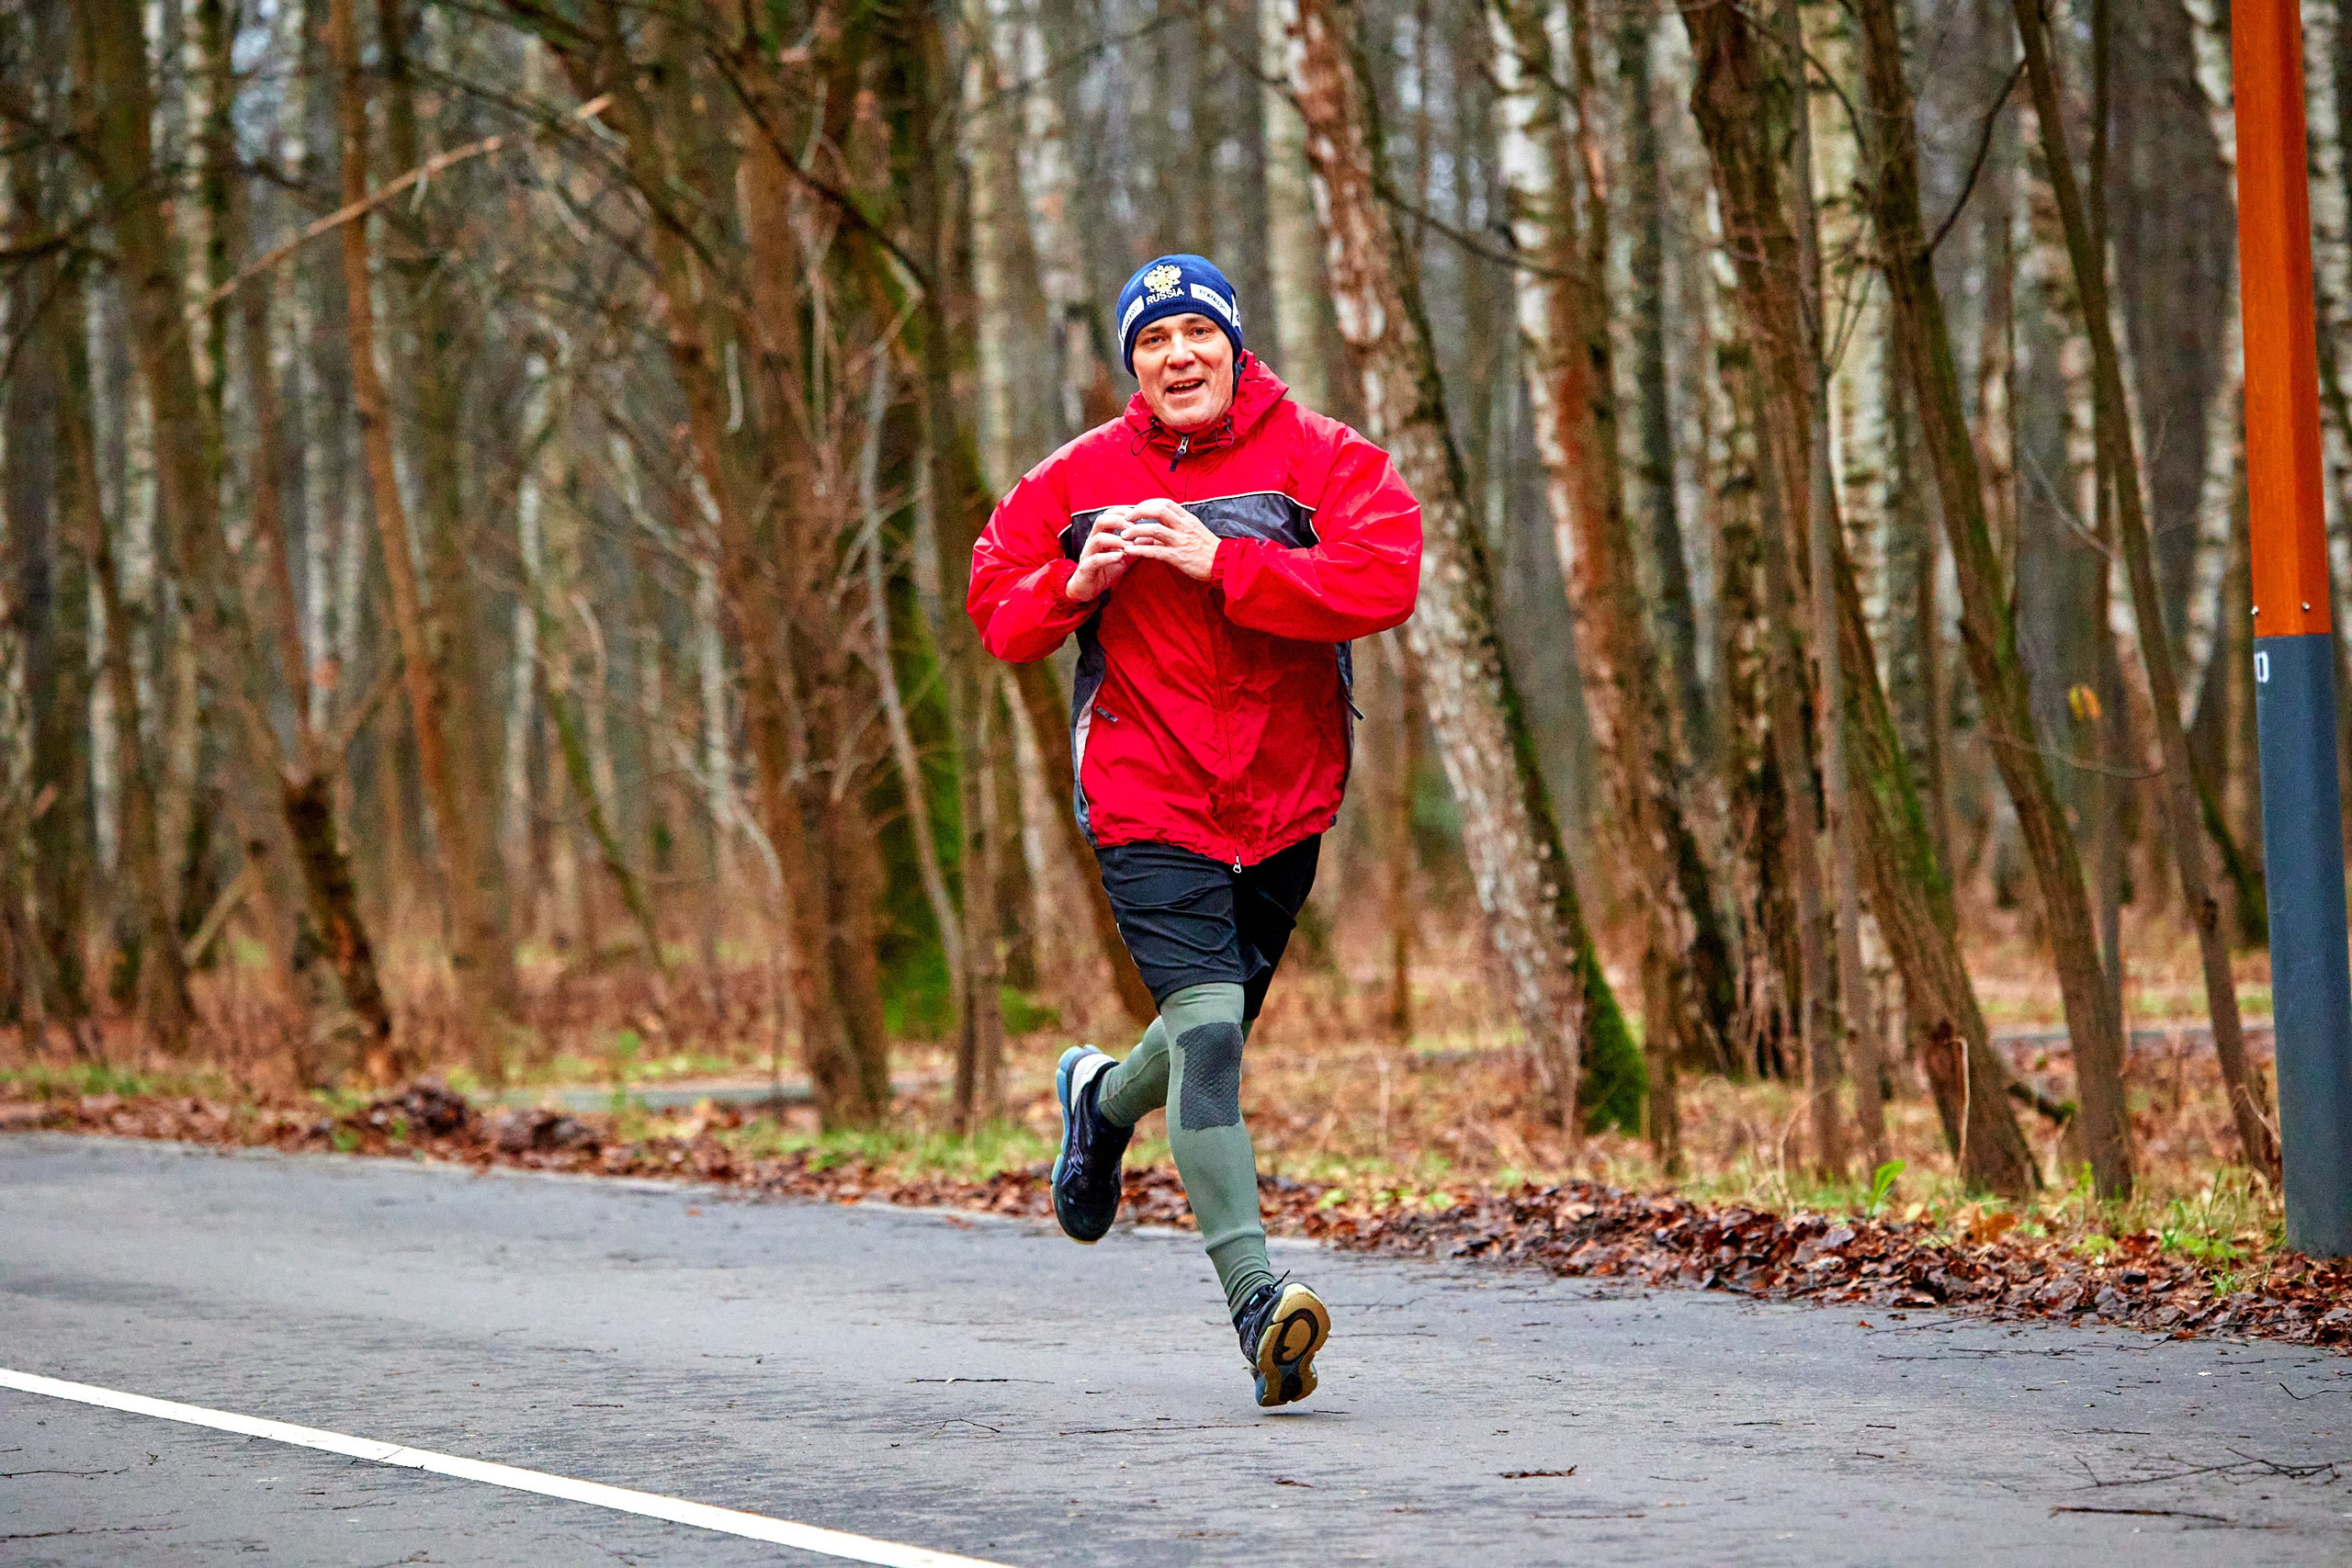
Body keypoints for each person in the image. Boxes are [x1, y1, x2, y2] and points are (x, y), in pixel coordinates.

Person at [967, 254, 1422, 1407]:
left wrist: (1225, 562)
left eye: (1194, 334)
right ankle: (1261, 1307)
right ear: (1133, 364)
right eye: (1152, 340)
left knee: (1200, 1033)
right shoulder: (1081, 477)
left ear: (1231, 345)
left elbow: (1386, 577)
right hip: (1144, 792)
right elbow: (995, 606)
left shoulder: (1322, 457)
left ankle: (1099, 1102)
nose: (1177, 355)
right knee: (1212, 1034)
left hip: (1284, 796)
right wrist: (1076, 580)